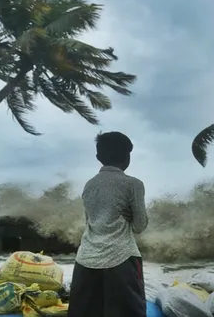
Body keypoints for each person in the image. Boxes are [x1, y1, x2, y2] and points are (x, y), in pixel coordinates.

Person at [68, 131, 148, 317]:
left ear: (98, 157)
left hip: (86, 260)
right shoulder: (133, 184)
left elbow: (90, 221)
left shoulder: (89, 185)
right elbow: (140, 226)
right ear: (128, 157)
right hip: (121, 258)